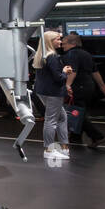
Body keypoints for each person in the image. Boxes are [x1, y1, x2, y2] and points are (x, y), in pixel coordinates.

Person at [60, 32, 105, 149]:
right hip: (88, 85)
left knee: (76, 113)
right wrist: (102, 86)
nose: (62, 46)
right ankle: (75, 137)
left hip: (77, 86)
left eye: (64, 44)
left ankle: (97, 136)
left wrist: (68, 85)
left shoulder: (71, 54)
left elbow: (73, 71)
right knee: (79, 110)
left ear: (72, 43)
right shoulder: (86, 54)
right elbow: (95, 71)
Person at [33, 30, 73, 159]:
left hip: (43, 92)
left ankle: (64, 147)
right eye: (58, 39)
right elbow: (59, 78)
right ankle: (49, 150)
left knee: (62, 118)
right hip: (53, 93)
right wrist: (65, 71)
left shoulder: (41, 56)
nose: (60, 41)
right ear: (50, 41)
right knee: (51, 120)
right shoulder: (53, 57)